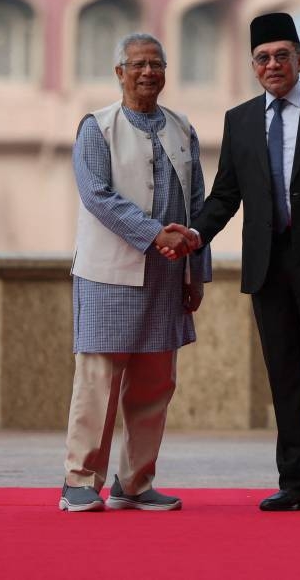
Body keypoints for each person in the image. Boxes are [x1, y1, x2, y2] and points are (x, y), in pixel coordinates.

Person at [163, 12, 300, 513]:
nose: (272, 65)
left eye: (282, 55)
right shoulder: (240, 121)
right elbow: (225, 196)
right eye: (262, 58)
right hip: (268, 266)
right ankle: (297, 482)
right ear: (253, 66)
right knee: (283, 375)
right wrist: (195, 234)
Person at [61, 32, 210, 512]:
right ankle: (80, 480)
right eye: (138, 64)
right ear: (119, 73)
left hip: (167, 277)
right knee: (98, 383)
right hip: (108, 274)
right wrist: (154, 234)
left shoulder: (182, 128)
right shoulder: (97, 128)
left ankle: (135, 482)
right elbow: (97, 196)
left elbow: (197, 205)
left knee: (154, 385)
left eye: (156, 64)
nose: (149, 72)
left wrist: (196, 273)